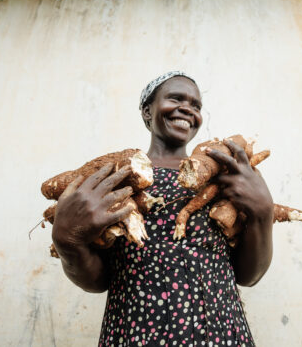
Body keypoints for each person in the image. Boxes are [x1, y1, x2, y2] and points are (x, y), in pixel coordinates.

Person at [51, 71, 274, 346]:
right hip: (136, 332)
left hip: (219, 332)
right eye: (176, 98)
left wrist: (263, 213)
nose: (188, 109)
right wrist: (67, 243)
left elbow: (249, 275)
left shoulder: (225, 175)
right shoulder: (119, 176)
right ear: (147, 111)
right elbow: (97, 281)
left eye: (196, 105)